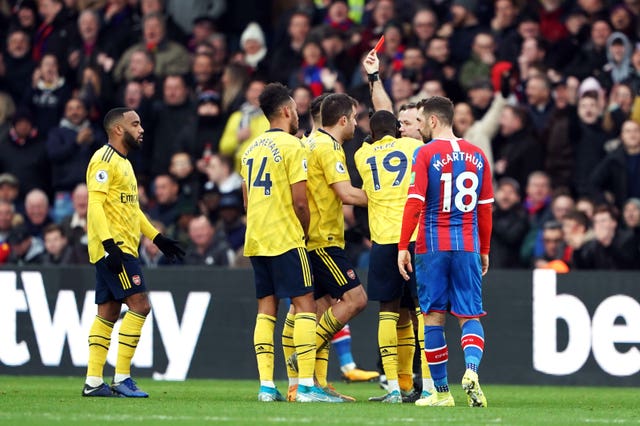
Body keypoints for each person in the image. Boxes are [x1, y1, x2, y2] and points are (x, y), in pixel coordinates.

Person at [240, 82, 341, 403]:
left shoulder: (251, 148)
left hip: (256, 238)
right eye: (295, 110)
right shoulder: (293, 147)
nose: (298, 115)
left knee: (266, 311)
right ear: (285, 111)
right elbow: (301, 202)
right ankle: (307, 386)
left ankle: (267, 386)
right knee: (305, 306)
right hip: (285, 237)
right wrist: (305, 230)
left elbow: (246, 201)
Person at [397, 96, 493, 407]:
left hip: (432, 244)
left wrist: (402, 245)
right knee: (470, 314)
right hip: (468, 244)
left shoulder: (425, 153)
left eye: (422, 121)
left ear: (434, 121)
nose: (420, 126)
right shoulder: (478, 155)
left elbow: (415, 202)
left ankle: (441, 394)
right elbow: (486, 209)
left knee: (434, 318)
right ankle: (472, 370)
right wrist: (485, 249)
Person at [82, 107, 184, 398]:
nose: (141, 129)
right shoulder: (103, 160)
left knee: (108, 312)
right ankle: (122, 377)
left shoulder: (124, 163)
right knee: (140, 305)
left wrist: (157, 238)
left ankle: (93, 382)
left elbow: (132, 209)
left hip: (122, 247)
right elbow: (95, 206)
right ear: (117, 129)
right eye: (135, 124)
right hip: (115, 249)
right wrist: (109, 246)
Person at [289, 93, 369, 399]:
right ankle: (304, 354)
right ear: (344, 120)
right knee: (356, 299)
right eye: (355, 117)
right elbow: (347, 194)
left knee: (320, 308)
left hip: (309, 237)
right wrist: (387, 197)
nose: (358, 124)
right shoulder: (329, 147)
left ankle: (315, 384)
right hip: (324, 239)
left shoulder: (308, 143)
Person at [354, 110, 424, 404]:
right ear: (398, 128)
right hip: (415, 238)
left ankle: (394, 387)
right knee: (422, 311)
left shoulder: (362, 155)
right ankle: (429, 385)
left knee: (389, 312)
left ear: (370, 133)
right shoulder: (413, 147)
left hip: (383, 243)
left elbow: (374, 138)